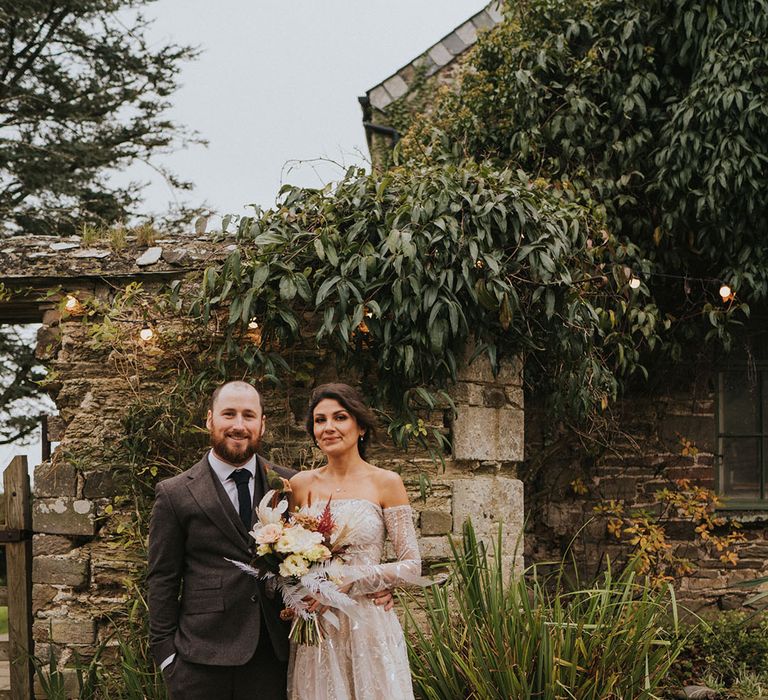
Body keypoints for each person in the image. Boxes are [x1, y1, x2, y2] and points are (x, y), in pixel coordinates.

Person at [146, 381, 296, 699]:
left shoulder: (289, 484)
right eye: (229, 414)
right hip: (200, 660)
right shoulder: (175, 493)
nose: (238, 425)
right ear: (210, 419)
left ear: (262, 424)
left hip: (274, 656)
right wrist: (167, 658)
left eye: (248, 415)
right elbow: (162, 579)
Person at [287, 383, 423, 700]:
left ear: (360, 426)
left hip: (368, 622)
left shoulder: (386, 482)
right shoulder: (299, 484)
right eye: (320, 421)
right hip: (318, 626)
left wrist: (351, 580)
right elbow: (286, 556)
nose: (329, 427)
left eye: (340, 417)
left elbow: (412, 566)